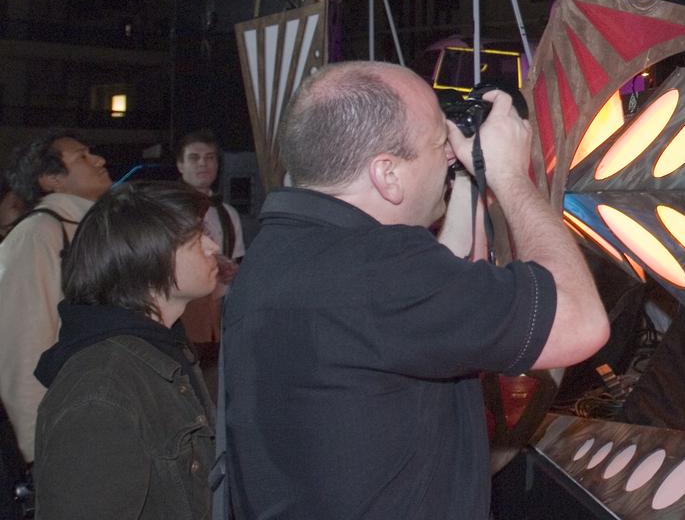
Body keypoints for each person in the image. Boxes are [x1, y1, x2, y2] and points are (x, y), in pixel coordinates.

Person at [223, 62, 609, 520]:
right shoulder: (380, 269)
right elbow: (579, 321)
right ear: (387, 173)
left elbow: (437, 293)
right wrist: (510, 175)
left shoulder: (280, 251)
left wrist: (469, 182)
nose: (450, 156)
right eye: (439, 144)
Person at [33, 182, 219, 520]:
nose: (213, 246)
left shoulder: (164, 346)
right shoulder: (101, 389)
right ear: (147, 258)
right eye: (195, 238)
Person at [0, 132, 112, 466]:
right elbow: (23, 351)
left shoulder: (90, 228)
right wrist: (37, 451)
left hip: (99, 418)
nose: (99, 160)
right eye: (82, 156)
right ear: (50, 179)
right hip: (68, 432)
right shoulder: (40, 234)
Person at [174, 130, 241, 365]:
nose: (203, 164)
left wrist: (232, 270)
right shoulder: (169, 209)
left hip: (219, 312)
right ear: (180, 165)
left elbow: (236, 258)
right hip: (182, 311)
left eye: (210, 157)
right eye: (194, 158)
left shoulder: (228, 212)